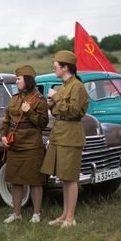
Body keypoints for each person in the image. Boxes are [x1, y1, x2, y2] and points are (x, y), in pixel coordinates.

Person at [41, 50, 89, 228]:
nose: (54, 68)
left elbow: (75, 111)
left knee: (70, 178)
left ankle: (70, 218)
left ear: (65, 67)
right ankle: (64, 215)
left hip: (70, 135)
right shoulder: (63, 86)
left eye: (56, 66)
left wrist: (56, 97)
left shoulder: (77, 86)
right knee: (63, 177)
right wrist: (52, 105)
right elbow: (59, 110)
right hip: (60, 133)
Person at [0, 65, 48, 224]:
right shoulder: (15, 98)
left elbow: (42, 123)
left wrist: (29, 112)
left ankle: (36, 214)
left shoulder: (39, 100)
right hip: (15, 145)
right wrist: (3, 136)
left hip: (32, 145)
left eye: (18, 79)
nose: (16, 81)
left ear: (27, 80)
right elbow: (6, 120)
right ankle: (16, 213)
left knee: (35, 180)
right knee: (15, 180)